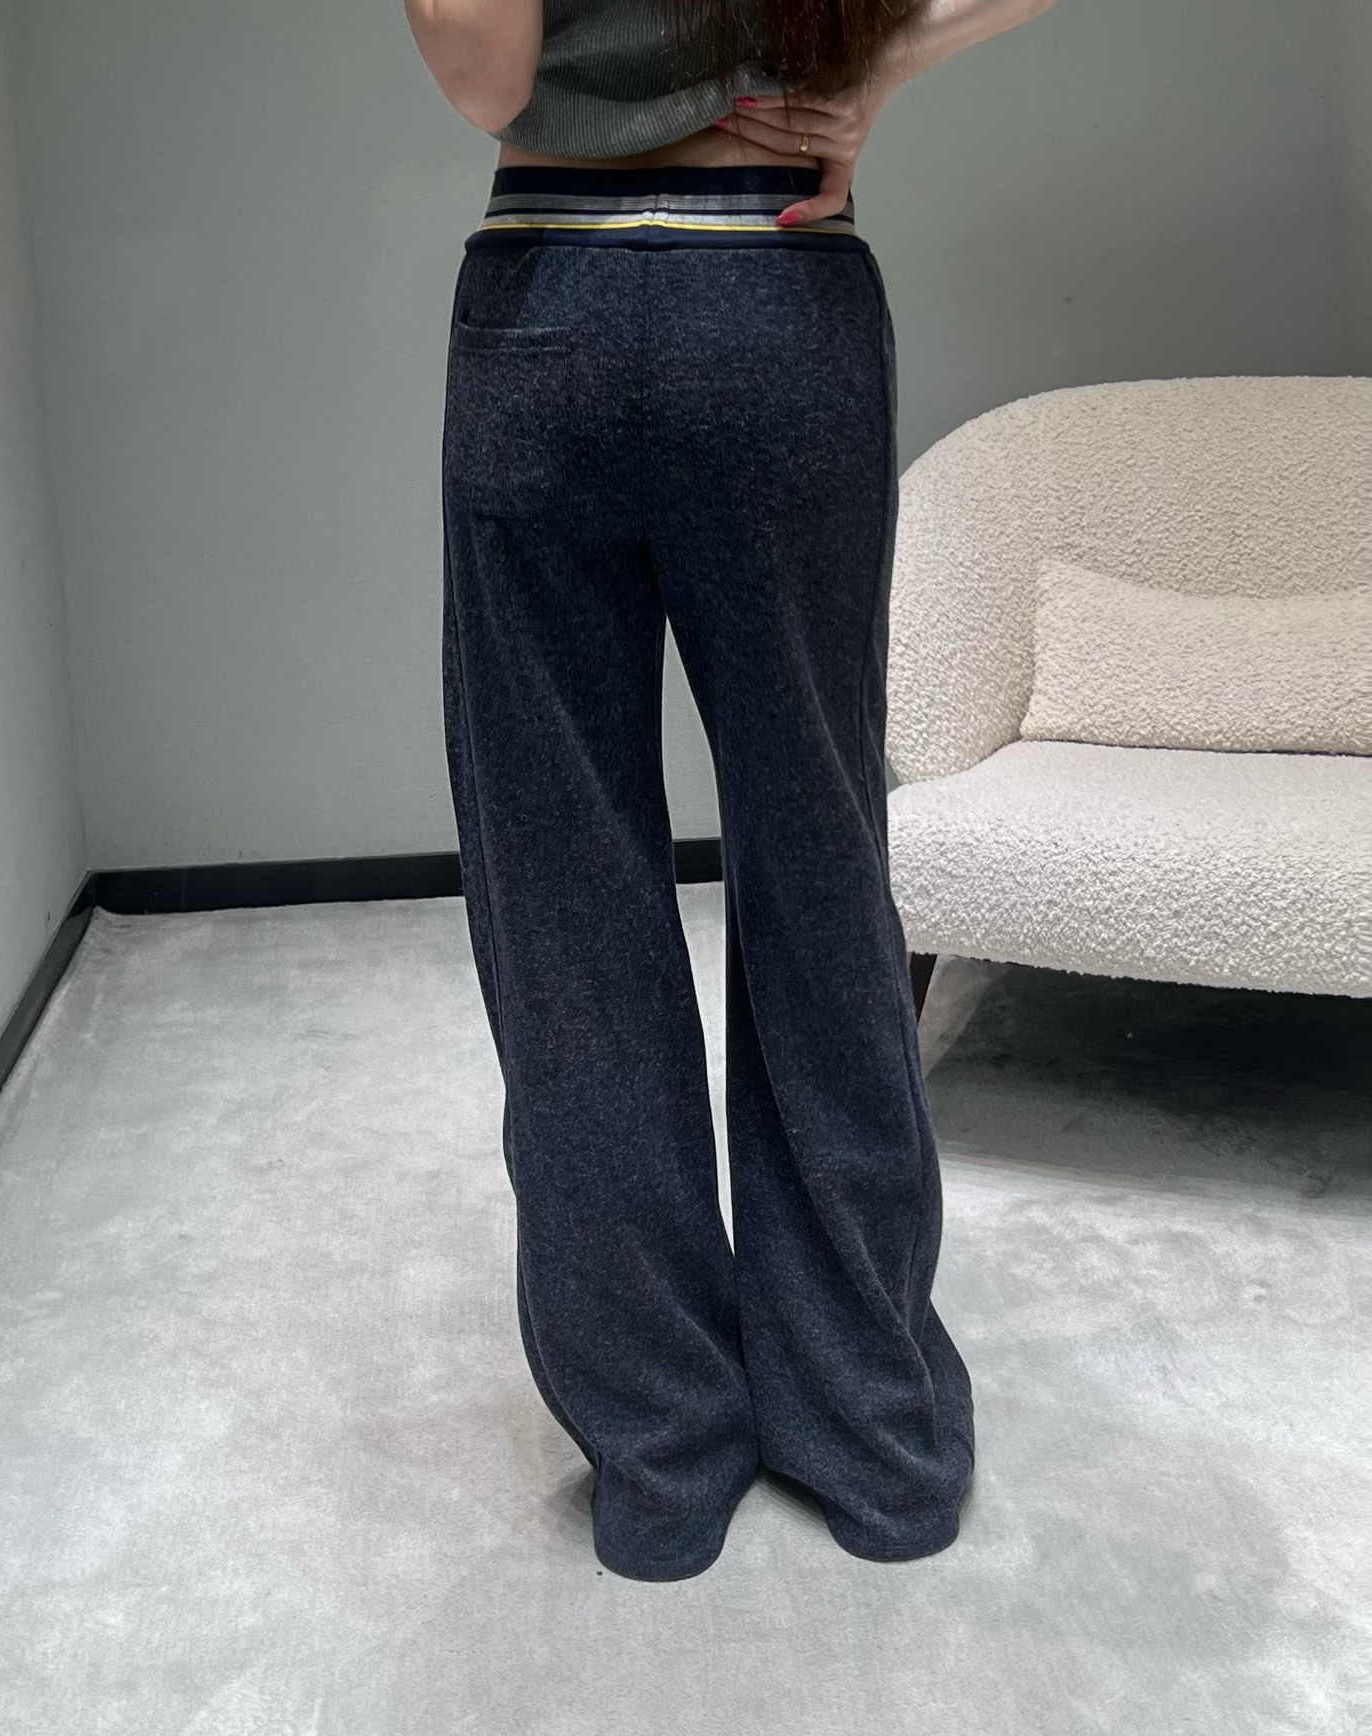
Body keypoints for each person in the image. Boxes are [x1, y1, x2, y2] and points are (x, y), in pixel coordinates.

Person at [405, 0, 1057, 1581]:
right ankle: (875, 1437)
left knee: (567, 901)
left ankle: (662, 1455)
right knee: (821, 867)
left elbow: (483, 70)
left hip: (548, 305)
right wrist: (878, 66)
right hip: (776, 297)